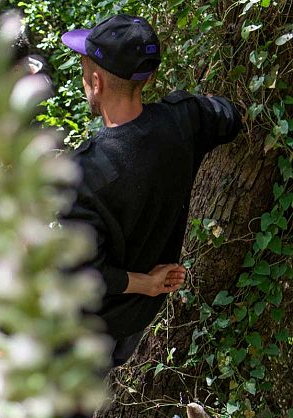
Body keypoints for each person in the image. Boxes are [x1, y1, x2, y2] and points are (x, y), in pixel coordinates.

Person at [60, 14, 242, 366]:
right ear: (148, 77)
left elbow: (86, 273)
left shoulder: (82, 172)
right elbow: (229, 115)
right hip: (138, 319)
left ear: (95, 83)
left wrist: (147, 282)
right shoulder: (184, 120)